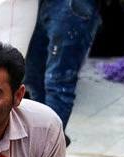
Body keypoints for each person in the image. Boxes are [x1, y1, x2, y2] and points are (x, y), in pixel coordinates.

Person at [23, 0, 103, 131]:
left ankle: (49, 144)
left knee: (57, 83)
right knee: (34, 79)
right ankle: (40, 140)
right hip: (44, 6)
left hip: (71, 8)